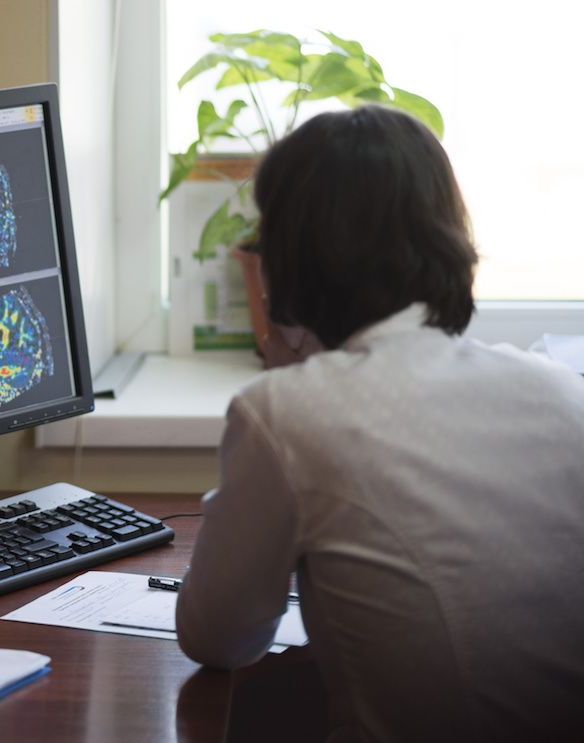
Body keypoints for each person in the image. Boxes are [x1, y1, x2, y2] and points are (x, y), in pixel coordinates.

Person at [174, 105, 584, 742]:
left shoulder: (288, 412)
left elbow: (218, 638)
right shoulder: (561, 393)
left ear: (287, 257)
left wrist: (287, 360)